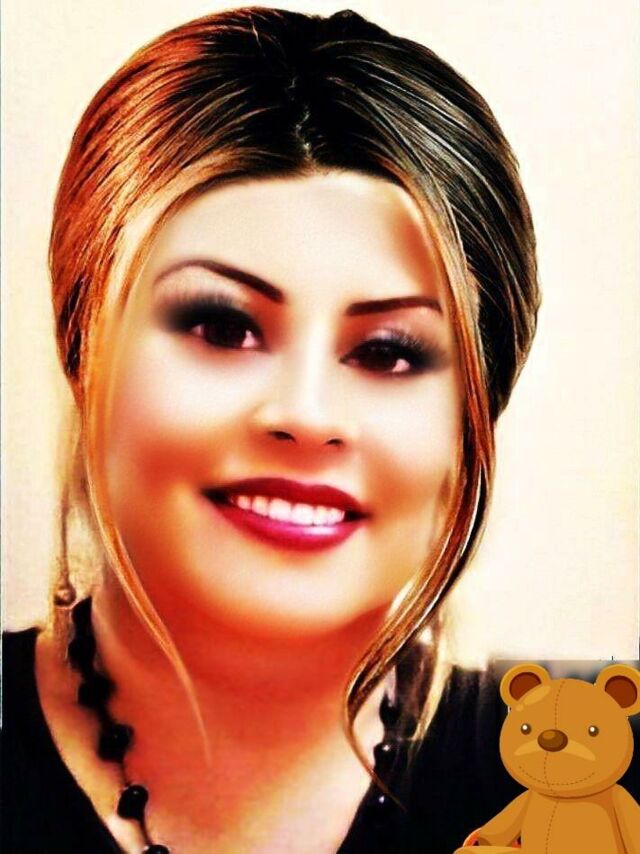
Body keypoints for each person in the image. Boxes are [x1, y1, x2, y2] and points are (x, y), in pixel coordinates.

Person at [5, 7, 630, 854]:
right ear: (82, 347)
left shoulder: (600, 769)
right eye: (222, 327)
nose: (305, 413)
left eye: (388, 351)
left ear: (475, 412)